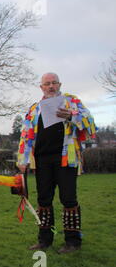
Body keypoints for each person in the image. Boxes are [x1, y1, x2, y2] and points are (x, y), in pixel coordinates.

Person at [17, 73, 96, 254]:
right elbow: (26, 135)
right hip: (42, 160)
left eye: (54, 83)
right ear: (41, 87)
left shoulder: (72, 101)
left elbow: (91, 125)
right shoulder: (35, 108)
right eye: (47, 84)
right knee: (43, 199)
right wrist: (23, 160)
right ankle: (44, 240)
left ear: (60, 84)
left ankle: (73, 242)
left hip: (65, 159)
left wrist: (72, 116)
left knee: (68, 199)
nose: (51, 86)